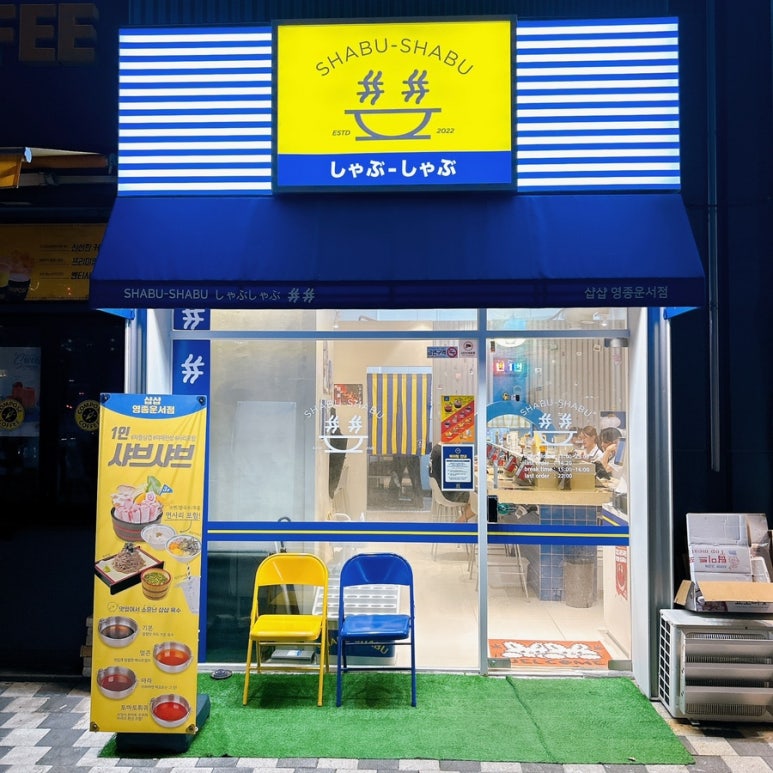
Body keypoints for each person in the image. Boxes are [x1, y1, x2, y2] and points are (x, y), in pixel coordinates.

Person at [429, 443, 475, 522]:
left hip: (442, 491)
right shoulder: (445, 451)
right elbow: (458, 474)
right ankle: (460, 521)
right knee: (480, 498)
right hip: (449, 494)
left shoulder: (437, 448)